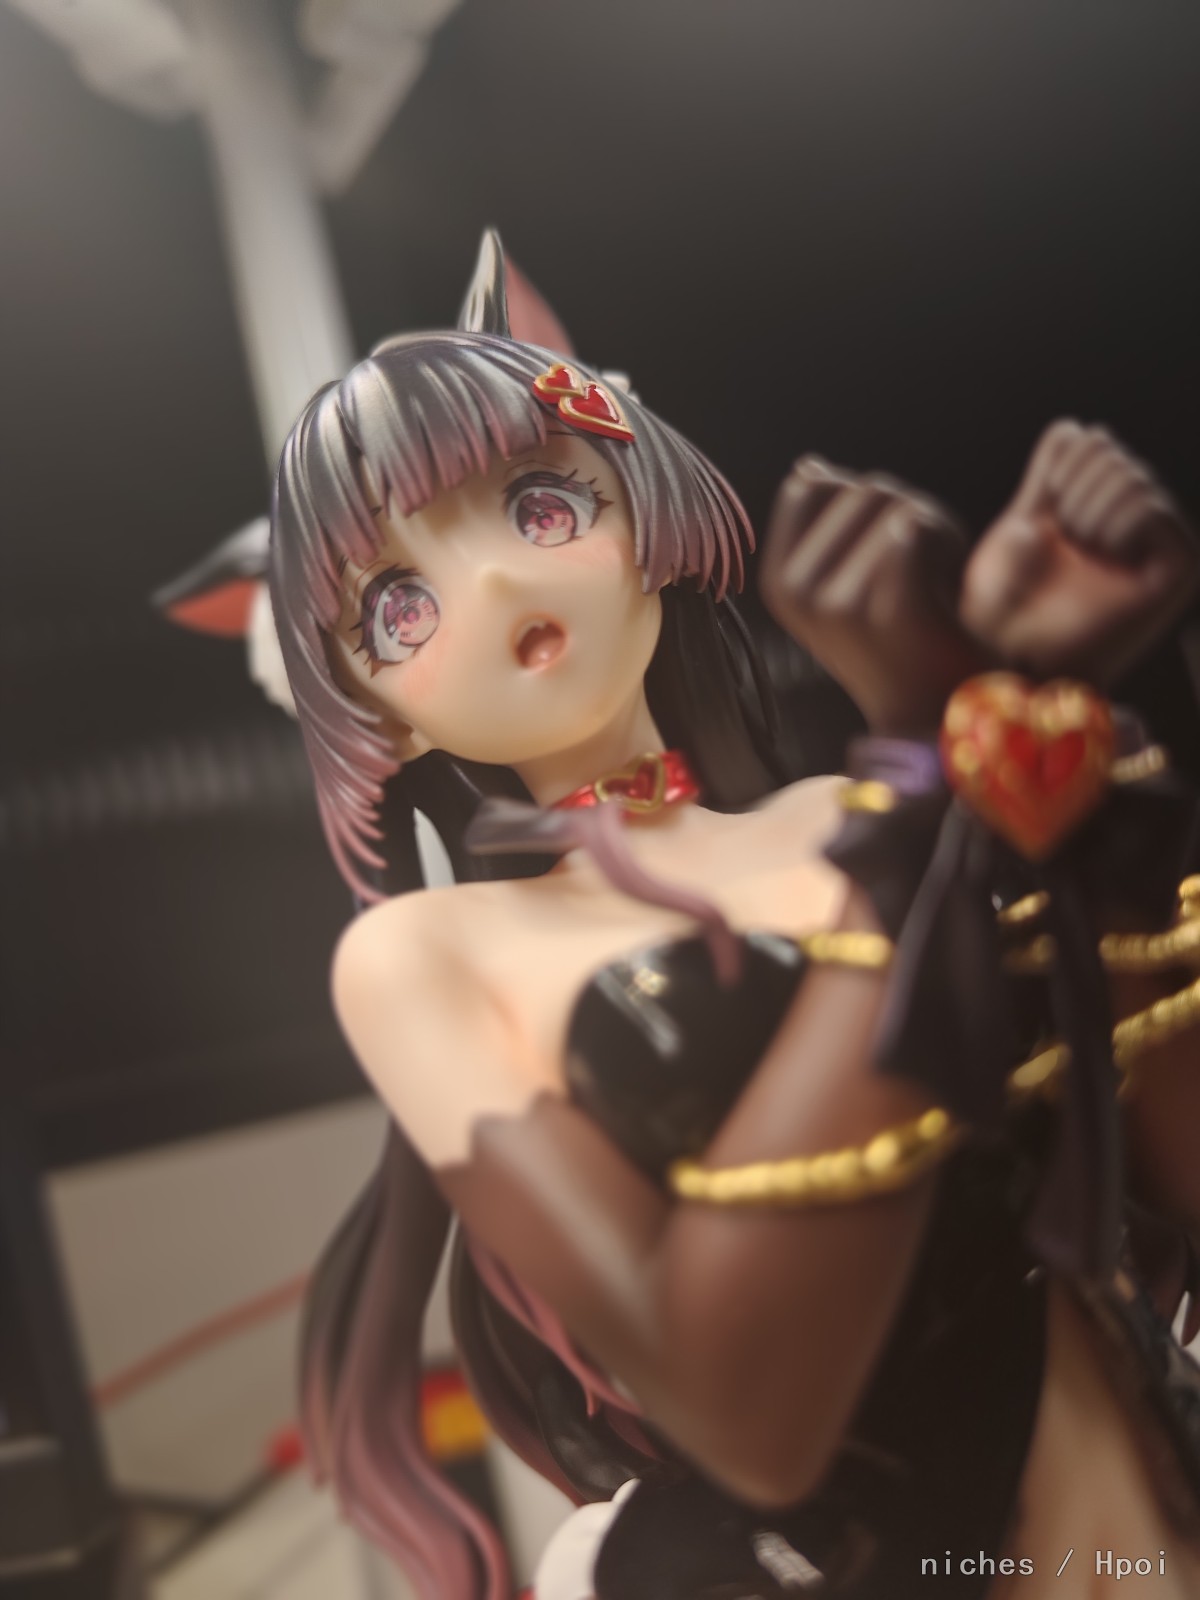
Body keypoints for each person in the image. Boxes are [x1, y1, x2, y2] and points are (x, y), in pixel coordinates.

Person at [267, 231, 1200, 1599]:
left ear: (644, 515)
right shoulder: (425, 959)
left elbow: (1166, 1160)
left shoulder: (848, 815)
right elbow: (747, 1420)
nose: (502, 586)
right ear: (375, 711)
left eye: (540, 507)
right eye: (399, 606)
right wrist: (928, 786)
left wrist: (1070, 720)